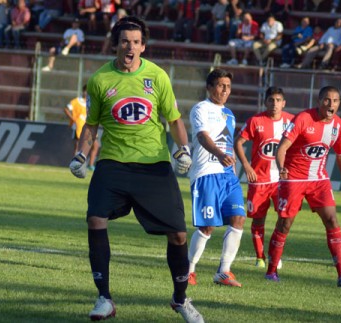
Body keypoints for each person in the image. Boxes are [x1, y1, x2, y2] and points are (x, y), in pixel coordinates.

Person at [68, 16, 203, 322]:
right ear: (115, 45)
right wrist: (81, 156)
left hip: (153, 166)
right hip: (113, 164)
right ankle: (104, 298)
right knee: (95, 219)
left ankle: (180, 300)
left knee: (179, 235)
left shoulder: (157, 77)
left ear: (143, 46)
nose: (130, 47)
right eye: (125, 41)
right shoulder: (101, 79)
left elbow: (174, 120)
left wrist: (184, 149)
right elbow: (91, 125)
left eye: (136, 41)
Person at [265, 85, 341, 288]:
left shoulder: (340, 126)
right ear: (319, 101)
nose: (331, 104)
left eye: (335, 101)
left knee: (332, 220)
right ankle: (271, 271)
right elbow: (282, 147)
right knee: (285, 225)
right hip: (293, 179)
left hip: (319, 179)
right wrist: (282, 168)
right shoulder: (303, 119)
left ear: (339, 104)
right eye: (327, 100)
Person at [187, 68, 246, 288]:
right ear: (210, 87)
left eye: (228, 86)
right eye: (220, 85)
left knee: (238, 219)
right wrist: (220, 154)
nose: (224, 90)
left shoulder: (230, 114)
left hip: (227, 176)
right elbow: (202, 136)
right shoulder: (200, 108)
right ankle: (189, 270)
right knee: (207, 227)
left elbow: (228, 142)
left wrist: (232, 163)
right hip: (206, 173)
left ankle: (224, 271)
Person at [234, 86, 294, 268]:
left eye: (278, 100)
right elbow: (238, 142)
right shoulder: (255, 121)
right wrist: (246, 166)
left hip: (282, 181)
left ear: (283, 103)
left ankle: (275, 254)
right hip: (259, 180)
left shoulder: (292, 121)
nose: (274, 104)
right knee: (258, 220)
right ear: (265, 102)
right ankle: (260, 257)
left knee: (284, 219)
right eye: (271, 100)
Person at [64, 84, 100, 171]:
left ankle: (91, 165)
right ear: (83, 91)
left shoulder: (91, 101)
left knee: (95, 145)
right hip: (79, 126)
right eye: (86, 91)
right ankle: (75, 165)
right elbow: (66, 109)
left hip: (90, 126)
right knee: (78, 146)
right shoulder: (76, 101)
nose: (87, 93)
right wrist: (73, 119)